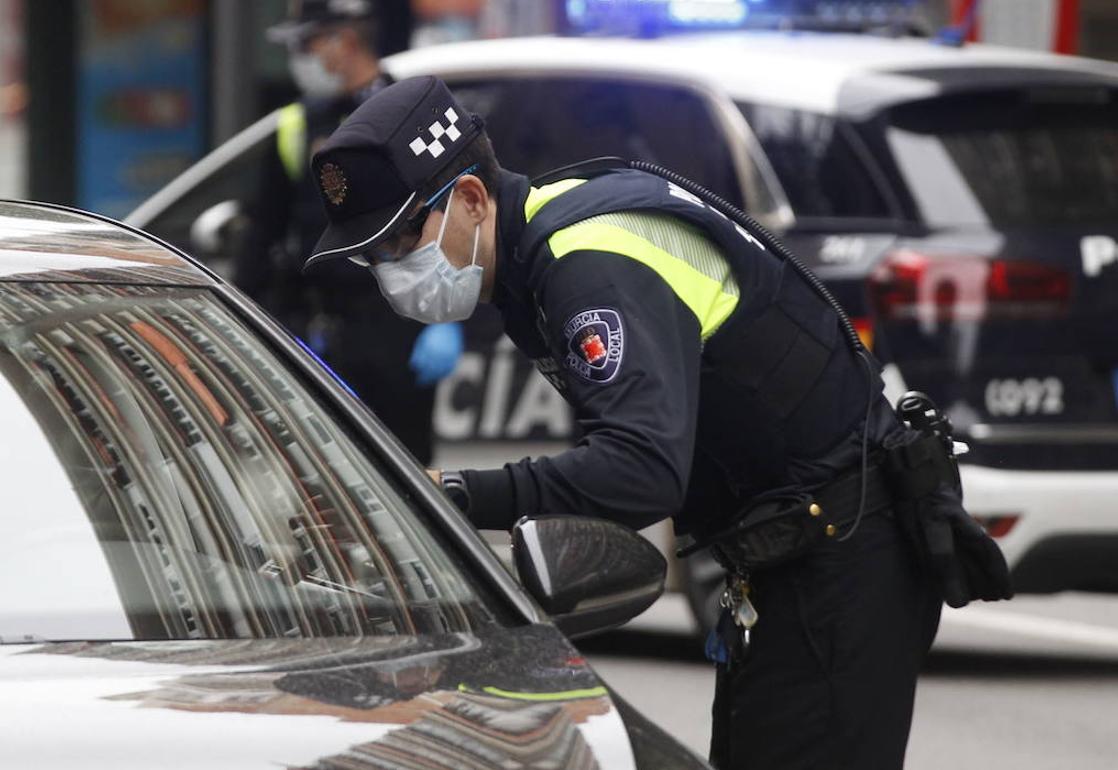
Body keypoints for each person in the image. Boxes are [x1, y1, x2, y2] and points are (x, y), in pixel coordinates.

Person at [302, 76, 1010, 769]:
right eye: (373, 256)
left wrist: (446, 495)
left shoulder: (589, 260)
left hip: (840, 562)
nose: (389, 269)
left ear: (471, 198)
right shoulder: (536, 249)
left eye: (398, 243)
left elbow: (641, 470)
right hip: (794, 562)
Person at [238, 0, 459, 465]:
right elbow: (263, 231)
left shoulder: (412, 111)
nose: (299, 57)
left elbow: (457, 213)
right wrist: (246, 321)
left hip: (399, 324)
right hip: (322, 329)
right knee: (327, 471)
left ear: (346, 39)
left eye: (307, 43)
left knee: (407, 471)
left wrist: (453, 319)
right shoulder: (299, 123)